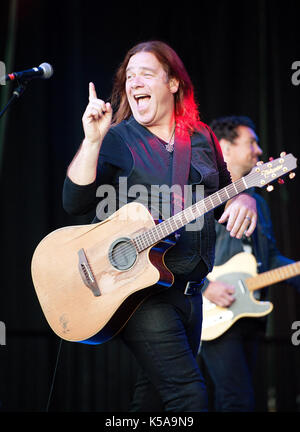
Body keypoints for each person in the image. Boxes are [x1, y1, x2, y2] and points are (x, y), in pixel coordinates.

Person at [62, 42, 257, 412]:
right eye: (129, 75)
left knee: (150, 401)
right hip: (140, 295)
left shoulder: (201, 137)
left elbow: (223, 195)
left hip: (190, 295)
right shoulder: (117, 138)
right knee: (189, 397)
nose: (134, 81)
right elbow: (74, 202)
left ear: (172, 83)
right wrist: (92, 141)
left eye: (146, 73)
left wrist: (244, 198)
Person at [198, 115, 300, 412]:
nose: (258, 150)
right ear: (225, 148)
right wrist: (206, 287)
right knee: (236, 400)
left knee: (244, 399)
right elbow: (181, 251)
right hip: (216, 315)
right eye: (251, 142)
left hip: (251, 314)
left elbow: (268, 261)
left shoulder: (260, 203)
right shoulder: (206, 196)